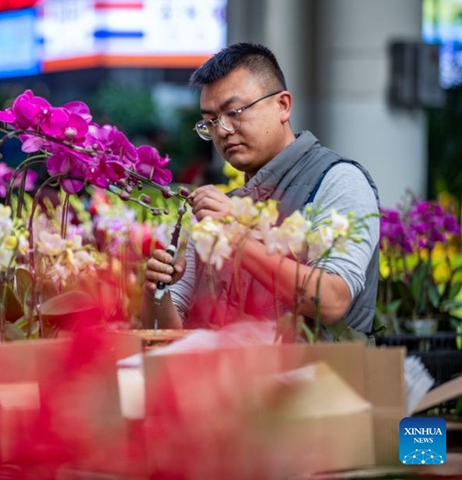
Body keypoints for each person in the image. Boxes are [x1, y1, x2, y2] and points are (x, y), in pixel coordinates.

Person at [141, 43, 380, 341]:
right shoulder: (221, 210)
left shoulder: (338, 180)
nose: (223, 131)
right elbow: (169, 333)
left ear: (283, 105)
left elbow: (330, 301)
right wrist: (157, 290)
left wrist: (237, 236)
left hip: (317, 384)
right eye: (210, 121)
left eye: (235, 112)